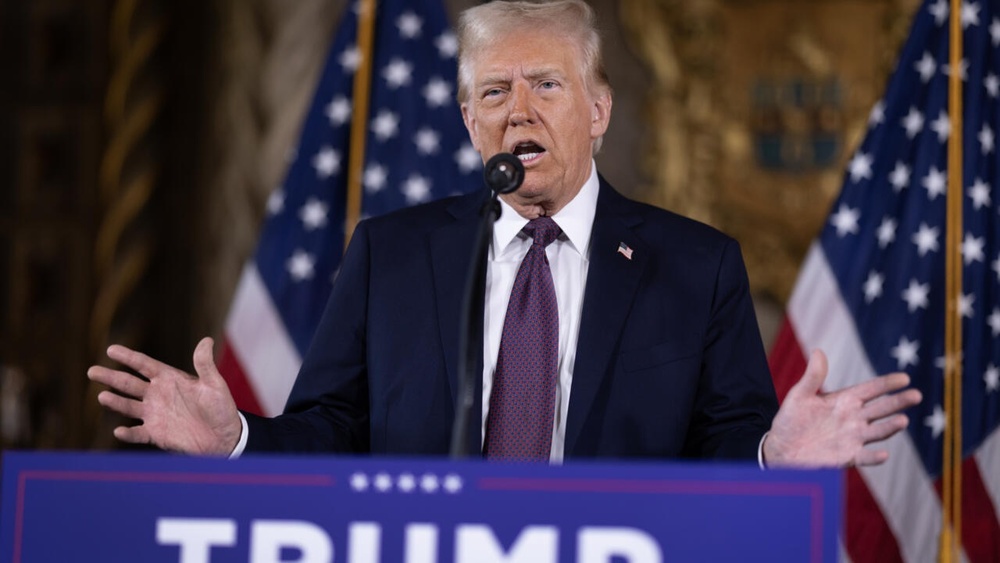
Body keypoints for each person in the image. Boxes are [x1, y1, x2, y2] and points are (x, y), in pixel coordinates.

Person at [88, 0, 921, 467]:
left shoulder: (696, 265)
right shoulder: (391, 254)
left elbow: (725, 447)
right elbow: (326, 434)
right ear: (466, 119)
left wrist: (777, 451)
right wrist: (235, 437)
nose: (516, 109)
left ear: (598, 110)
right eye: (492, 92)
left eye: (546, 85)